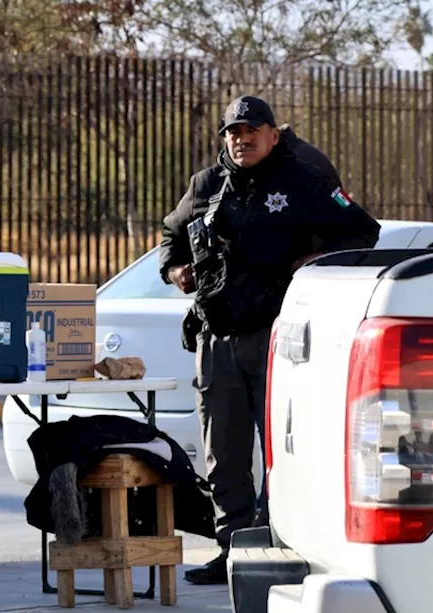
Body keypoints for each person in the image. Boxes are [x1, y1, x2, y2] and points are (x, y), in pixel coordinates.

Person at [159, 95, 380, 586]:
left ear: (273, 134)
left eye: (252, 129)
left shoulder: (304, 180)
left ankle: (277, 544)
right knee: (224, 452)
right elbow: (170, 236)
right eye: (233, 131)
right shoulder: (206, 185)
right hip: (216, 338)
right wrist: (175, 268)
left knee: (283, 449)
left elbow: (364, 232)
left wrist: (315, 262)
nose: (242, 138)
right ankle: (233, 549)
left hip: (279, 338)